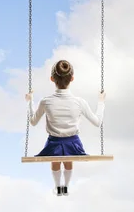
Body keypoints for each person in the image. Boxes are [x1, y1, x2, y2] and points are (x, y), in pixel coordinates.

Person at [25, 60, 106, 196]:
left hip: (53, 143)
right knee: (68, 159)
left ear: (52, 79)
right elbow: (97, 122)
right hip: (73, 143)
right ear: (72, 78)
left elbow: (33, 122)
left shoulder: (46, 101)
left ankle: (58, 187)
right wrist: (101, 102)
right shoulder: (79, 102)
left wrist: (29, 102)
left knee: (55, 159)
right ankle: (66, 187)